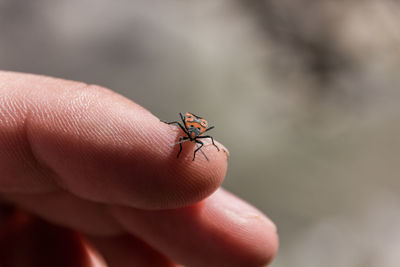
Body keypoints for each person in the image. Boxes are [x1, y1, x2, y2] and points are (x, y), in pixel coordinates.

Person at [0, 71, 278, 267]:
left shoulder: (193, 137)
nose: (191, 140)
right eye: (189, 137)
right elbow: (182, 126)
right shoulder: (187, 135)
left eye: (193, 139)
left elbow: (192, 131)